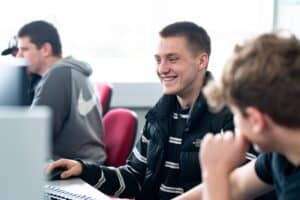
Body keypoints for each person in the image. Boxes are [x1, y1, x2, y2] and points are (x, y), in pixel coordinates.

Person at [48, 21, 233, 200]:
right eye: (158, 60)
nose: (162, 69)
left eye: (172, 59)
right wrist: (83, 169)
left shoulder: (229, 116)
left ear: (201, 61)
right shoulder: (158, 116)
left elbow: (237, 188)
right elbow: (134, 178)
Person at [174, 33, 300, 200]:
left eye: (234, 113)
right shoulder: (283, 153)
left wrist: (215, 172)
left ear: (256, 121)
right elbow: (237, 185)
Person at [17, 20, 106, 164]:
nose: (18, 55)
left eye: (25, 49)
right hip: (85, 163)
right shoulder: (72, 71)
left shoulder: (59, 74)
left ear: (45, 49)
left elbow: (33, 135)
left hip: (74, 167)